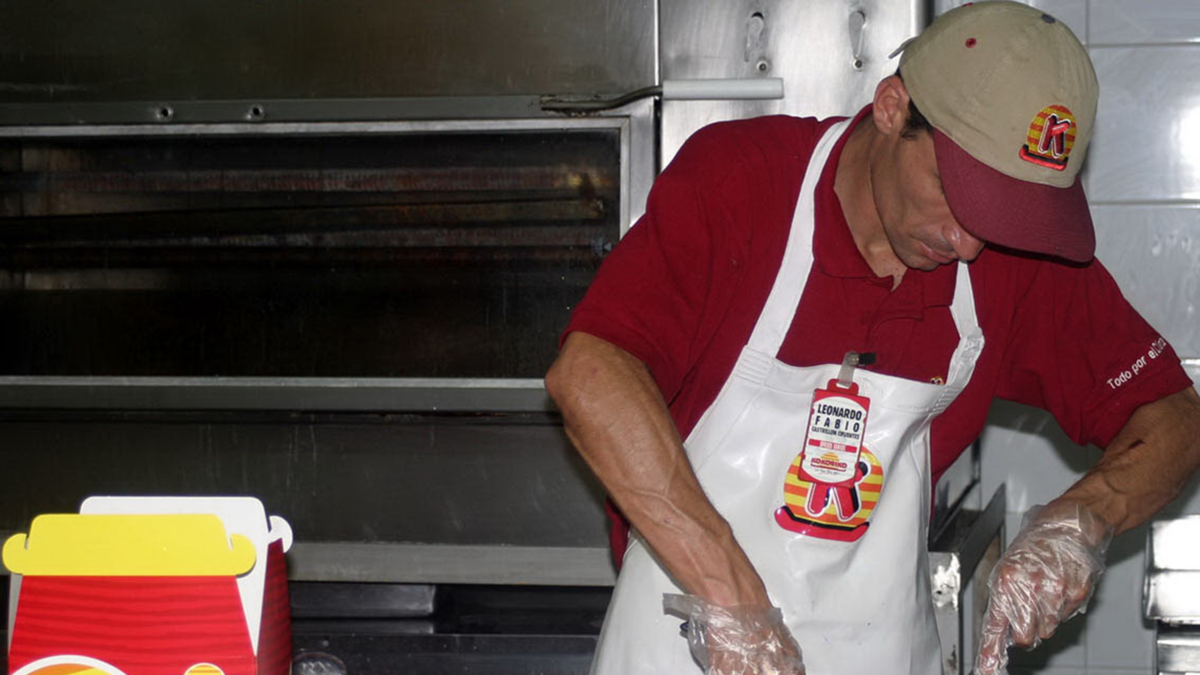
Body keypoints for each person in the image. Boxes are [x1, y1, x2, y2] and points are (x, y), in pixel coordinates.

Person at [544, 2, 1200, 674]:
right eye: (959, 192)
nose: (967, 240)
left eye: (1005, 213)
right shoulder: (743, 183)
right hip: (687, 642)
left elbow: (1175, 417)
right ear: (892, 107)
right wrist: (731, 601)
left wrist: (1084, 519)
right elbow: (591, 374)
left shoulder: (1012, 260)